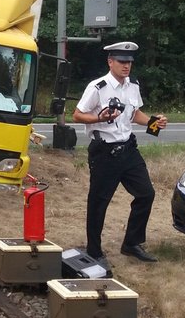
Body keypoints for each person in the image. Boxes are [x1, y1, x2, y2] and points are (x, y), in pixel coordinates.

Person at [71, 41, 168, 269]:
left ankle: (132, 243)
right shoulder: (98, 87)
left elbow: (134, 114)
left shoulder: (132, 85)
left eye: (130, 62)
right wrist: (99, 119)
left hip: (128, 149)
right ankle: (94, 251)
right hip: (104, 152)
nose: (127, 66)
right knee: (98, 203)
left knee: (146, 194)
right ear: (110, 61)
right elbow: (77, 115)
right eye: (122, 62)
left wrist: (155, 122)